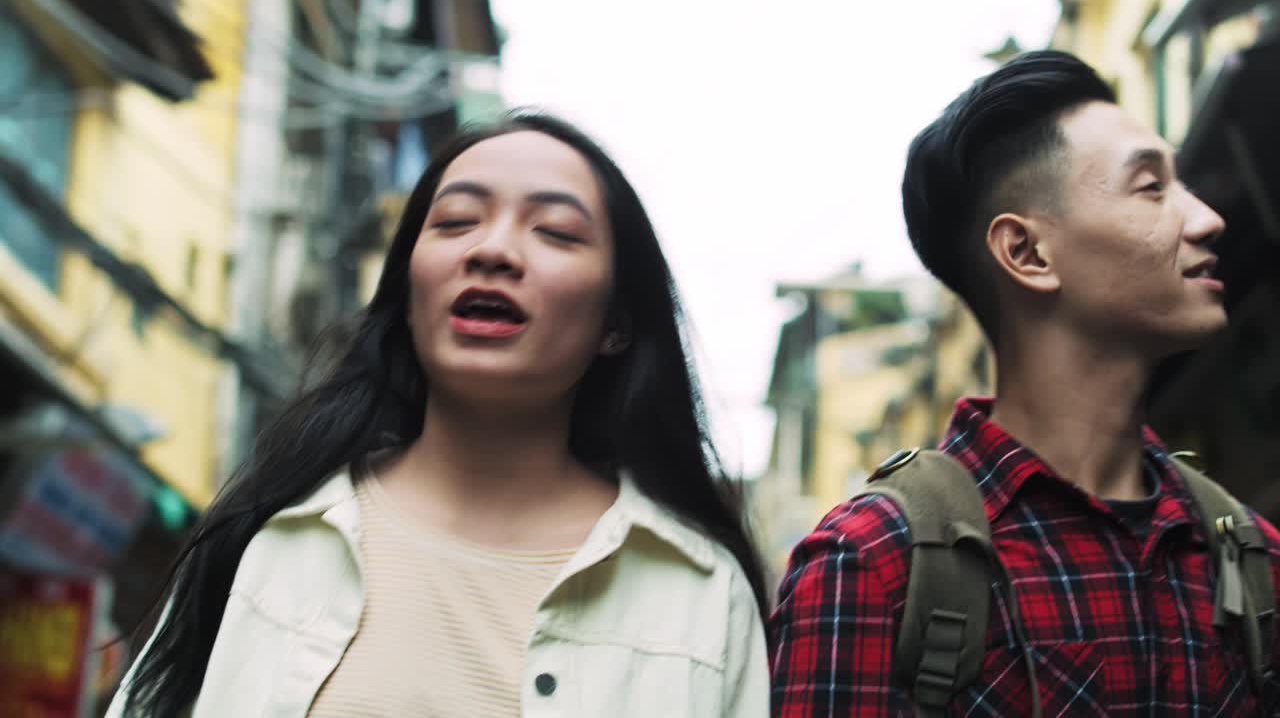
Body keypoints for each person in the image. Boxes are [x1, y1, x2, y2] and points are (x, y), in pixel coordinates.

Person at [108, 111, 769, 717]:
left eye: (556, 232)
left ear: (617, 324)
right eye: (455, 222)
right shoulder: (271, 541)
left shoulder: (702, 598)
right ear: (409, 289)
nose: (491, 250)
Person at [768, 50, 1280, 716]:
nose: (1207, 217)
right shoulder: (870, 566)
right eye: (1152, 188)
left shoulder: (1253, 559)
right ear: (1027, 253)